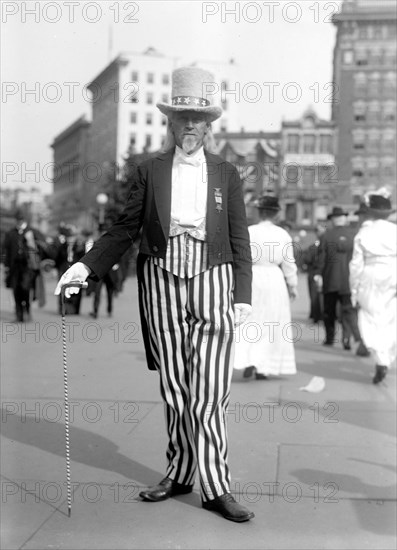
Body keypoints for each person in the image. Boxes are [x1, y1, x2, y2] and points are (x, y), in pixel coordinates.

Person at [55, 66, 254, 522]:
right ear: (170, 121)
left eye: (197, 117)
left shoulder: (227, 173)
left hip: (214, 276)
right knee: (175, 386)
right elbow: (124, 229)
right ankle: (180, 470)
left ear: (210, 125)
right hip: (160, 278)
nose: (189, 125)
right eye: (181, 116)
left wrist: (242, 292)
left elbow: (240, 235)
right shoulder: (149, 170)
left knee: (209, 390)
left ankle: (216, 486)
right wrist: (84, 266)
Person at [234, 193, 298, 380]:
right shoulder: (282, 234)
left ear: (259, 212)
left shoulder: (250, 231)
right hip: (274, 278)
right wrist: (293, 285)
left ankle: (250, 359)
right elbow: (288, 262)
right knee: (271, 321)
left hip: (252, 277)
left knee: (251, 320)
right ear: (276, 214)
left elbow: (239, 256)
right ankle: (264, 365)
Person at [349, 189, 396, 384]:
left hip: (371, 273)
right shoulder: (395, 230)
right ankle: (386, 355)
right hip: (392, 272)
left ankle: (380, 357)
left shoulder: (364, 232)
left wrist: (353, 289)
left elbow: (356, 265)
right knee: (390, 316)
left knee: (369, 316)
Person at [314, 206, 369, 355]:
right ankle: (347, 339)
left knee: (329, 311)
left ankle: (330, 338)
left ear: (332, 220)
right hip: (348, 279)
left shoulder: (326, 236)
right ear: (344, 218)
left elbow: (322, 259)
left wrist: (318, 274)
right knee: (348, 311)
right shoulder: (354, 235)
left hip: (330, 278)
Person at [4, 209, 49, 322]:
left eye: (21, 219)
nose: (19, 221)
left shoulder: (32, 232)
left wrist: (32, 243)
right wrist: (5, 265)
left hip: (28, 267)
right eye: (18, 219)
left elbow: (44, 248)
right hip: (15, 267)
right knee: (16, 290)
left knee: (25, 289)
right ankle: (19, 314)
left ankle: (27, 311)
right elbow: (6, 251)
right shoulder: (11, 233)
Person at [53, 224, 85, 314]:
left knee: (75, 290)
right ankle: (62, 308)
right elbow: (57, 259)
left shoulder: (79, 247)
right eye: (68, 237)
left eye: (71, 237)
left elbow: (83, 259)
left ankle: (74, 309)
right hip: (64, 270)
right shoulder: (62, 247)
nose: (70, 239)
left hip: (76, 271)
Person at [302, 222, 326, 325]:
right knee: (314, 296)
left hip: (324, 272)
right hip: (314, 272)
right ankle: (316, 315)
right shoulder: (314, 246)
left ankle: (322, 315)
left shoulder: (325, 245)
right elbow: (307, 258)